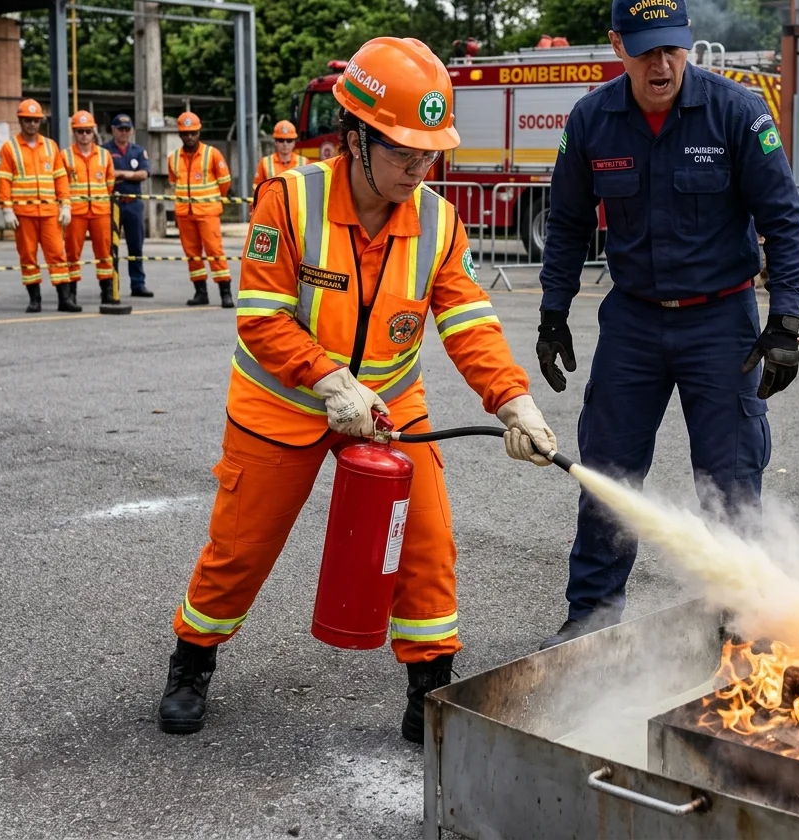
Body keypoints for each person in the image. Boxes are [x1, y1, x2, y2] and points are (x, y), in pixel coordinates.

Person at [155, 37, 557, 742]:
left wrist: (512, 400)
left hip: (390, 403)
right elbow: (260, 317)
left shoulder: (438, 219)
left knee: (426, 545)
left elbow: (467, 322)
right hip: (281, 406)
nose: (418, 168)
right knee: (240, 548)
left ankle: (429, 688)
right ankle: (193, 659)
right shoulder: (290, 198)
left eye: (429, 153)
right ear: (354, 138)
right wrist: (328, 379)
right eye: (403, 150)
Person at [536, 0, 799, 649]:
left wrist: (786, 322)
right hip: (632, 320)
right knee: (608, 472)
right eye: (645, 51)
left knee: (731, 478)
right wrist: (552, 312)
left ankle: (744, 619)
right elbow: (567, 224)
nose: (661, 66)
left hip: (721, 321)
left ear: (687, 46)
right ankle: (592, 620)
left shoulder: (737, 113)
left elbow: (784, 221)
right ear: (617, 46)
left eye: (673, 50)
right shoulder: (591, 121)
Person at [0, 98, 81, 313]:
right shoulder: (10, 148)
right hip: (24, 214)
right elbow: (3, 180)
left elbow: (61, 178)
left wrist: (66, 205)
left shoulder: (51, 147)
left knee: (57, 254)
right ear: (20, 121)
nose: (31, 124)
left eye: (35, 120)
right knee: (28, 256)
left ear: (40, 122)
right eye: (27, 120)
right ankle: (35, 299)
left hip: (50, 212)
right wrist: (6, 208)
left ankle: (65, 298)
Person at [168, 112, 233, 308]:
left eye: (193, 133)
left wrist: (210, 201)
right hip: (184, 214)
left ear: (199, 132)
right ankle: (200, 292)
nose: (190, 137)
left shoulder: (211, 154)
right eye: (185, 133)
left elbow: (225, 183)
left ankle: (225, 292)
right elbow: (173, 182)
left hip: (207, 212)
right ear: (180, 134)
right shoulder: (173, 158)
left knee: (215, 251)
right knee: (192, 254)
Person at [63, 110, 116, 307]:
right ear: (74, 133)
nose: (84, 135)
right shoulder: (65, 156)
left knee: (104, 252)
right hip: (75, 213)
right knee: (72, 253)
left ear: (93, 132)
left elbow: (110, 183)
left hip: (100, 212)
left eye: (87, 131)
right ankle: (71, 294)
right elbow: (61, 184)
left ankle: (107, 292)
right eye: (79, 131)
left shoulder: (104, 155)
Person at [105, 113, 153, 298]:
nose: (123, 133)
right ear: (113, 130)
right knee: (110, 247)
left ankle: (138, 284)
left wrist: (121, 174)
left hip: (133, 204)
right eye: (120, 129)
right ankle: (110, 284)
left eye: (127, 129)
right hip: (112, 206)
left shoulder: (138, 151)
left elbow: (144, 174)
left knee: (136, 246)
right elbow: (106, 175)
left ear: (131, 131)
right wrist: (129, 174)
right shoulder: (105, 151)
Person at [252, 120, 306, 190]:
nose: (285, 144)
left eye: (289, 140)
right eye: (281, 140)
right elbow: (257, 188)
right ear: (275, 142)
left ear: (294, 142)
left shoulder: (305, 162)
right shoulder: (265, 163)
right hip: (272, 201)